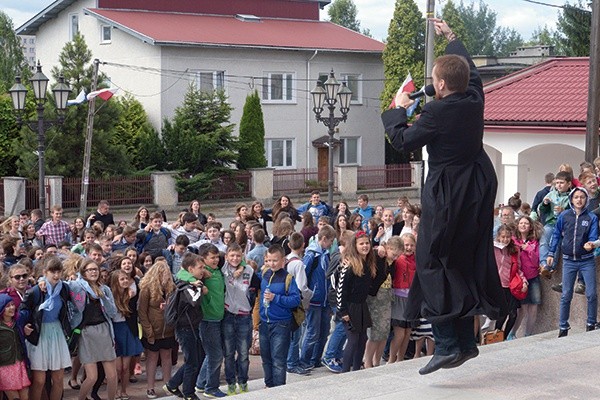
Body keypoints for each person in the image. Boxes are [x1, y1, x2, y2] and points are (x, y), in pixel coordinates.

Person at [381, 18, 505, 374]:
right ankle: (465, 343)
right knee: (460, 259)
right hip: (477, 188)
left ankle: (449, 344)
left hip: (448, 192)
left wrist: (397, 108)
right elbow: (472, 74)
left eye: (434, 80)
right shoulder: (474, 97)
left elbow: (403, 140)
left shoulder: (436, 111)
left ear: (440, 85)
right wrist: (452, 37)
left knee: (433, 260)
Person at [548, 187, 599, 337]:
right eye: (576, 197)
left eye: (582, 197)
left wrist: (591, 244)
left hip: (586, 260)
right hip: (568, 260)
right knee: (566, 294)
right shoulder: (564, 216)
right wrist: (551, 253)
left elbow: (594, 235)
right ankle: (563, 326)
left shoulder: (591, 217)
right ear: (571, 199)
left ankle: (590, 323)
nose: (579, 200)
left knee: (591, 293)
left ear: (586, 200)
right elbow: (556, 235)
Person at [20, 257, 71, 400]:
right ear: (45, 272)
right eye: (52, 272)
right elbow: (23, 312)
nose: (56, 275)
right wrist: (24, 327)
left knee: (59, 379)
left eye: (58, 272)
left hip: (56, 333)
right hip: (38, 334)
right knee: (39, 380)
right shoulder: (35, 291)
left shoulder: (65, 288)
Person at [67, 258, 118, 400]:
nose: (93, 272)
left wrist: (104, 298)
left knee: (113, 375)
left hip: (104, 330)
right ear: (83, 272)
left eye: (95, 269)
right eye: (90, 270)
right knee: (92, 377)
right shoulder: (76, 286)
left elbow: (113, 313)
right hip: (86, 333)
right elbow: (58, 285)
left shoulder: (105, 289)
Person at [163, 253, 208, 400]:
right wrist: (200, 287)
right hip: (185, 329)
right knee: (192, 362)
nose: (202, 270)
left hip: (192, 327)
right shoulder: (186, 285)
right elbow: (194, 300)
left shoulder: (191, 282)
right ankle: (189, 393)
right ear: (190, 269)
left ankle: (172, 384)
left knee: (198, 358)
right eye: (200, 267)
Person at [258, 244, 301, 387]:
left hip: (281, 323)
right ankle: (269, 385)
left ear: (283, 260)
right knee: (266, 358)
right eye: (269, 260)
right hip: (264, 322)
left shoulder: (288, 278)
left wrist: (276, 298)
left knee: (278, 360)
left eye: (275, 260)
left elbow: (295, 300)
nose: (272, 263)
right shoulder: (265, 274)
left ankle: (278, 390)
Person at [337, 230, 378, 372]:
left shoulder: (368, 263)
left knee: (362, 340)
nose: (365, 246)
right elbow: (341, 289)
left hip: (361, 306)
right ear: (355, 246)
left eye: (367, 243)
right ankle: (345, 372)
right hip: (350, 307)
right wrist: (343, 311)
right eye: (361, 244)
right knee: (353, 341)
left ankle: (356, 370)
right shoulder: (348, 265)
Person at [221, 243, 259, 395]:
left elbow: (257, 288)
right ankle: (231, 383)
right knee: (229, 353)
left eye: (238, 256)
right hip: (228, 315)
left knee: (243, 353)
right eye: (232, 256)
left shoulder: (249, 270)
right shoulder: (222, 270)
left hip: (244, 316)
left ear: (243, 256)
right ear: (226, 257)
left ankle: (243, 381)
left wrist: (243, 266)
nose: (235, 258)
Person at [138, 260, 176, 399]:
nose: (164, 275)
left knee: (167, 356)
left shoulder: (172, 288)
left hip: (168, 329)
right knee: (152, 358)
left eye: (165, 272)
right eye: (160, 273)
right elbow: (142, 312)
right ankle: (150, 387)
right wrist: (148, 331)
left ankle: (168, 385)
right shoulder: (146, 288)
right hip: (153, 330)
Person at [299, 225, 335, 371]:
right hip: (315, 300)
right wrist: (309, 293)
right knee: (312, 332)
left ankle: (315, 358)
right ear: (324, 239)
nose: (332, 244)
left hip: (325, 300)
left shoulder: (325, 254)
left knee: (324, 331)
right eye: (331, 241)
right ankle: (305, 360)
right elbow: (303, 276)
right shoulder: (312, 255)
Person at [194, 243, 227, 398]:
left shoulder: (216, 270)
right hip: (207, 320)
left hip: (218, 317)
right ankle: (211, 388)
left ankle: (201, 384)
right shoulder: (202, 274)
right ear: (203, 259)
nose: (215, 260)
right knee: (215, 354)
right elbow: (183, 275)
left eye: (216, 257)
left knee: (212, 354)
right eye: (212, 258)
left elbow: (238, 258)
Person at [109, 269, 143, 400]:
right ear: (115, 282)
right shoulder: (110, 296)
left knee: (125, 366)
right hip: (115, 331)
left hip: (128, 330)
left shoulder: (132, 294)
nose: (125, 281)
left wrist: (130, 296)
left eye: (126, 279)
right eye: (121, 279)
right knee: (117, 368)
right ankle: (116, 391)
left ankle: (124, 390)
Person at [510, 215, 542, 338]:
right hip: (519, 279)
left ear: (530, 227)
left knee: (533, 307)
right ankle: (512, 333)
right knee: (522, 309)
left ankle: (528, 334)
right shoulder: (513, 241)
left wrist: (529, 249)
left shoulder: (534, 242)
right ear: (517, 226)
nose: (523, 225)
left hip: (533, 277)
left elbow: (536, 262)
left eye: (526, 223)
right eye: (521, 223)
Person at [493, 224, 526, 340]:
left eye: (507, 237)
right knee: (502, 315)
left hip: (510, 285)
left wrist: (524, 281)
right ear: (498, 237)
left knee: (513, 314)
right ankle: (496, 335)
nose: (505, 239)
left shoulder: (514, 249)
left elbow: (518, 268)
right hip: (498, 285)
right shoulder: (494, 248)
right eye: (503, 237)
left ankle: (505, 336)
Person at [538, 171, 572, 277]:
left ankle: (551, 266)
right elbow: (541, 209)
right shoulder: (551, 194)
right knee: (544, 239)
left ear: (569, 184)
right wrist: (545, 203)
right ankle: (544, 264)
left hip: (564, 225)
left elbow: (574, 211)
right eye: (557, 183)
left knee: (556, 242)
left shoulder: (572, 195)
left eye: (561, 183)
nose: (559, 185)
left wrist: (564, 210)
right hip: (551, 222)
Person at [388, 234, 415, 363]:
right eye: (406, 245)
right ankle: (391, 359)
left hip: (411, 298)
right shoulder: (397, 259)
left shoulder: (416, 260)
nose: (409, 248)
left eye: (411, 245)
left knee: (407, 333)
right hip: (399, 297)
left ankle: (401, 358)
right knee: (400, 334)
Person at [0, 294, 30, 400]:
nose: (12, 307)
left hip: (20, 364)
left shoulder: (18, 321)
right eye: (7, 306)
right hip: (5, 367)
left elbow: (30, 308)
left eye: (13, 304)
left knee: (25, 397)